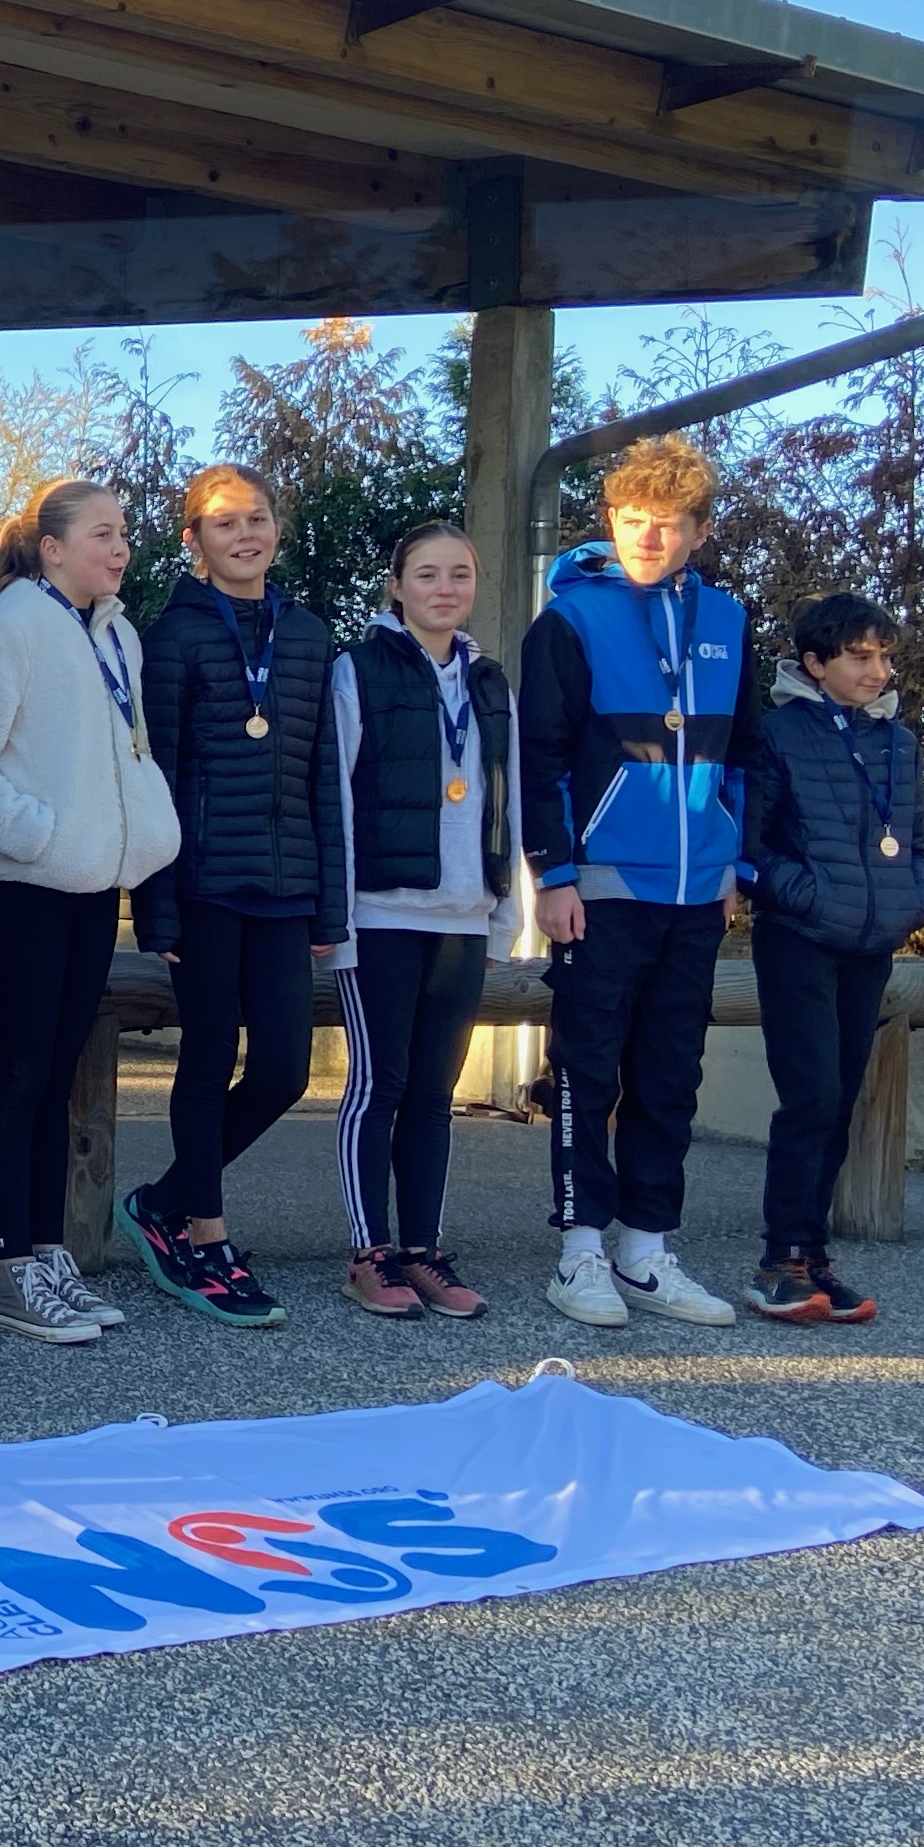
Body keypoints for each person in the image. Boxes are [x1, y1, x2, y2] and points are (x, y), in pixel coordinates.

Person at [0, 478, 181, 1346]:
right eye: (103, 535)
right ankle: (10, 1267)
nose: (119, 549)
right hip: (28, 882)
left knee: (59, 1069)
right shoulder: (15, 626)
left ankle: (46, 1252)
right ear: (53, 548)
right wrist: (32, 833)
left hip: (90, 884)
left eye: (124, 535)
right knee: (21, 1069)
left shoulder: (117, 634)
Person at [521, 433, 760, 1331]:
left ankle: (646, 1250)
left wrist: (736, 862)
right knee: (588, 1070)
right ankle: (580, 1253)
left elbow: (744, 756)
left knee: (671, 1075)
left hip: (697, 895)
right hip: (605, 887)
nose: (647, 539)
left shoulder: (729, 622)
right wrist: (555, 873)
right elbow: (537, 757)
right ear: (610, 522)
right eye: (631, 522)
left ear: (698, 529)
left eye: (666, 525)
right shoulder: (572, 619)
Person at [113, 462, 342, 1329]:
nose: (243, 535)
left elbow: (326, 777)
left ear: (276, 525)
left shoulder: (312, 635)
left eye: (255, 518)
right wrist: (156, 902)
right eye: (222, 524)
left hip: (287, 887)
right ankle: (206, 1234)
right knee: (209, 1054)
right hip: (205, 884)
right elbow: (156, 774)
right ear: (194, 541)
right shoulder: (171, 637)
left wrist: (332, 902)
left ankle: (163, 1199)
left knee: (284, 1068)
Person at [323, 519, 523, 1323]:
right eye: (428, 574)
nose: (445, 589)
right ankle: (369, 1251)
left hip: (463, 915)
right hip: (381, 911)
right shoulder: (359, 669)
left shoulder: (491, 681)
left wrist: (506, 910)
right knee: (381, 1083)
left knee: (436, 1091)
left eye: (460, 575)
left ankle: (423, 1248)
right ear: (397, 587)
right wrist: (337, 917)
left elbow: (509, 795)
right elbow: (334, 793)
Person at [741, 591, 924, 1327]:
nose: (877, 670)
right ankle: (782, 1258)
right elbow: (751, 841)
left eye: (884, 657)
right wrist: (811, 898)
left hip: (871, 944)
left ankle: (814, 1256)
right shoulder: (779, 733)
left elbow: (915, 839)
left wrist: (915, 897)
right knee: (811, 1098)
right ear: (816, 662)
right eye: (860, 656)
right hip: (800, 938)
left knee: (843, 1101)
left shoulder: (901, 742)